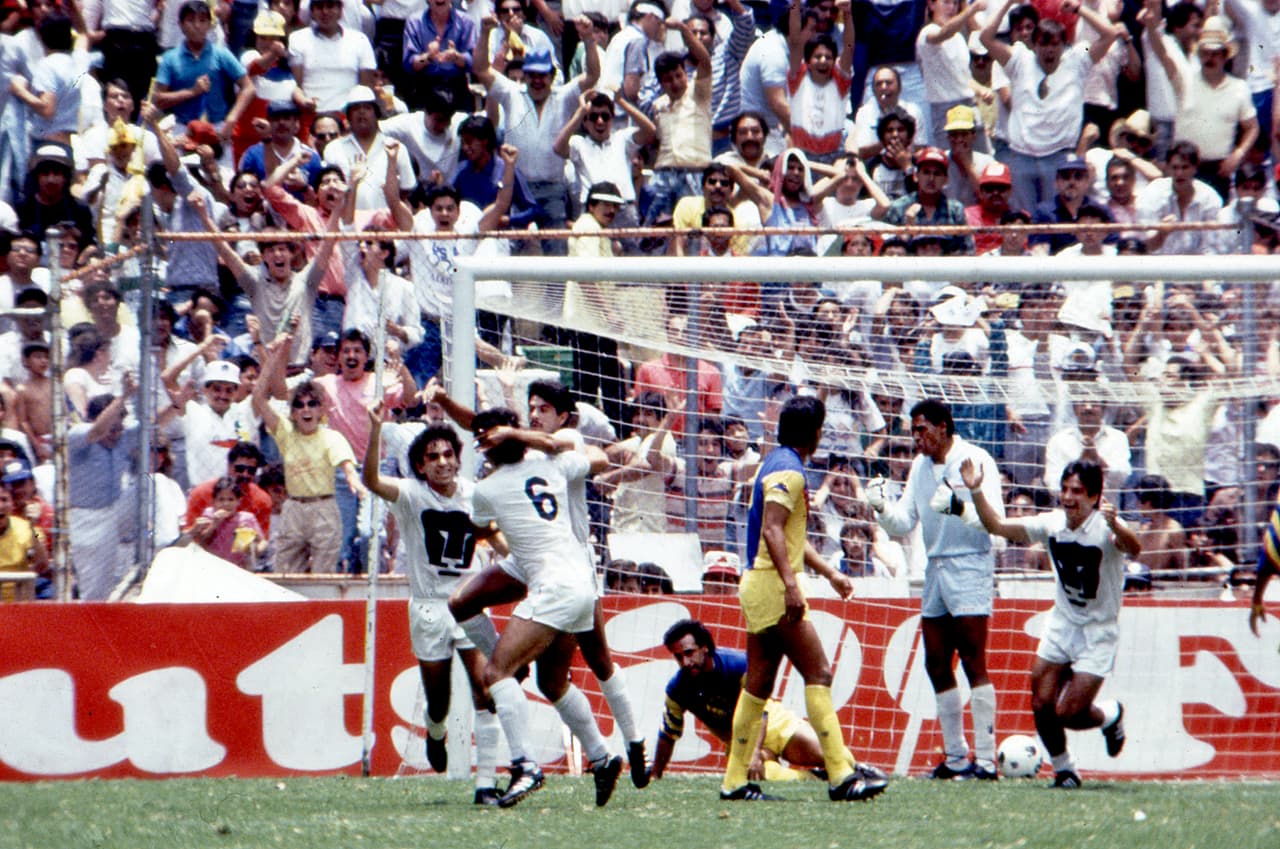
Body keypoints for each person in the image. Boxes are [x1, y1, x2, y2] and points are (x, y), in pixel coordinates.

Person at [720, 394, 889, 802]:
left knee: (758, 684)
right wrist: (792, 586)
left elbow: (787, 536)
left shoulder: (776, 463)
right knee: (819, 673)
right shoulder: (789, 472)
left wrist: (829, 572)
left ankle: (734, 782)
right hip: (775, 588)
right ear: (815, 433)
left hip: (759, 583)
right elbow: (773, 532)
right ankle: (841, 775)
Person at [468, 407, 624, 808]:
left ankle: (525, 766)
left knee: (496, 672)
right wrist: (542, 441)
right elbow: (595, 457)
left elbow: (481, 527)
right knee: (552, 682)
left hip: (551, 588)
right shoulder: (554, 465)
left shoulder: (486, 489)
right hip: (582, 586)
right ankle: (603, 758)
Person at [961, 458, 1138, 788]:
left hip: (1099, 630)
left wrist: (1118, 527)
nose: (1069, 498)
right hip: (1063, 622)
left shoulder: (1107, 526)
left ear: (1096, 496)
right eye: (1065, 489)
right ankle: (1065, 770)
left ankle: (1109, 715)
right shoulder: (1052, 523)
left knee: (1069, 713)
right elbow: (997, 526)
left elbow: (1134, 549)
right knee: (1041, 702)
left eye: (1078, 492)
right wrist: (975, 490)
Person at [362, 405, 505, 804]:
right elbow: (371, 479)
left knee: (485, 688)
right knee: (438, 700)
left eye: (448, 455)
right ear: (421, 467)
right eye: (433, 457)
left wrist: (519, 560)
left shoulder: (475, 495)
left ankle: (486, 784)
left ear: (459, 459)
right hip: (428, 608)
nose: (442, 462)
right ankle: (436, 732)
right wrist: (376, 433)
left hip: (468, 601)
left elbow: (490, 533)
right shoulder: (411, 495)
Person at [866, 398, 1002, 779]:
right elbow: (903, 521)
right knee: (936, 661)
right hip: (935, 567)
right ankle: (957, 757)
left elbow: (997, 524)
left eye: (922, 429)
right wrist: (880, 506)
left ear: (944, 426)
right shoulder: (919, 467)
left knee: (974, 660)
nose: (916, 438)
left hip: (970, 565)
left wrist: (959, 507)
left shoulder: (975, 460)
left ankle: (987, 760)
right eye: (913, 430)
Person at [650, 618, 861, 780]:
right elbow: (668, 734)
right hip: (739, 741)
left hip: (774, 724)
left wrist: (755, 752)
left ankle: (848, 771)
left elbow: (759, 711)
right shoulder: (677, 689)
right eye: (678, 656)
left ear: (704, 647)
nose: (686, 662)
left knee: (842, 759)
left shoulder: (738, 665)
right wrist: (656, 774)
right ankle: (814, 779)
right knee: (760, 775)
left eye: (689, 652)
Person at [252, 335, 364, 573]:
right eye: (300, 405)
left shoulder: (331, 437)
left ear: (321, 409)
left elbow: (347, 466)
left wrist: (355, 481)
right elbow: (259, 399)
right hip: (293, 508)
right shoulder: (286, 432)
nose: (306, 409)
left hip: (324, 508)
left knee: (323, 575)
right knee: (286, 573)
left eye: (312, 404)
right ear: (292, 412)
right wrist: (275, 355)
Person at [190, 476, 269, 569]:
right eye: (221, 499)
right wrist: (214, 524)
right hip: (212, 565)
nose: (226, 504)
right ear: (214, 501)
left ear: (238, 501)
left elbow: (263, 541)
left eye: (231, 499)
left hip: (239, 567)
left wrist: (255, 549)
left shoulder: (246, 518)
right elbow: (200, 539)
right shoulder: (210, 515)